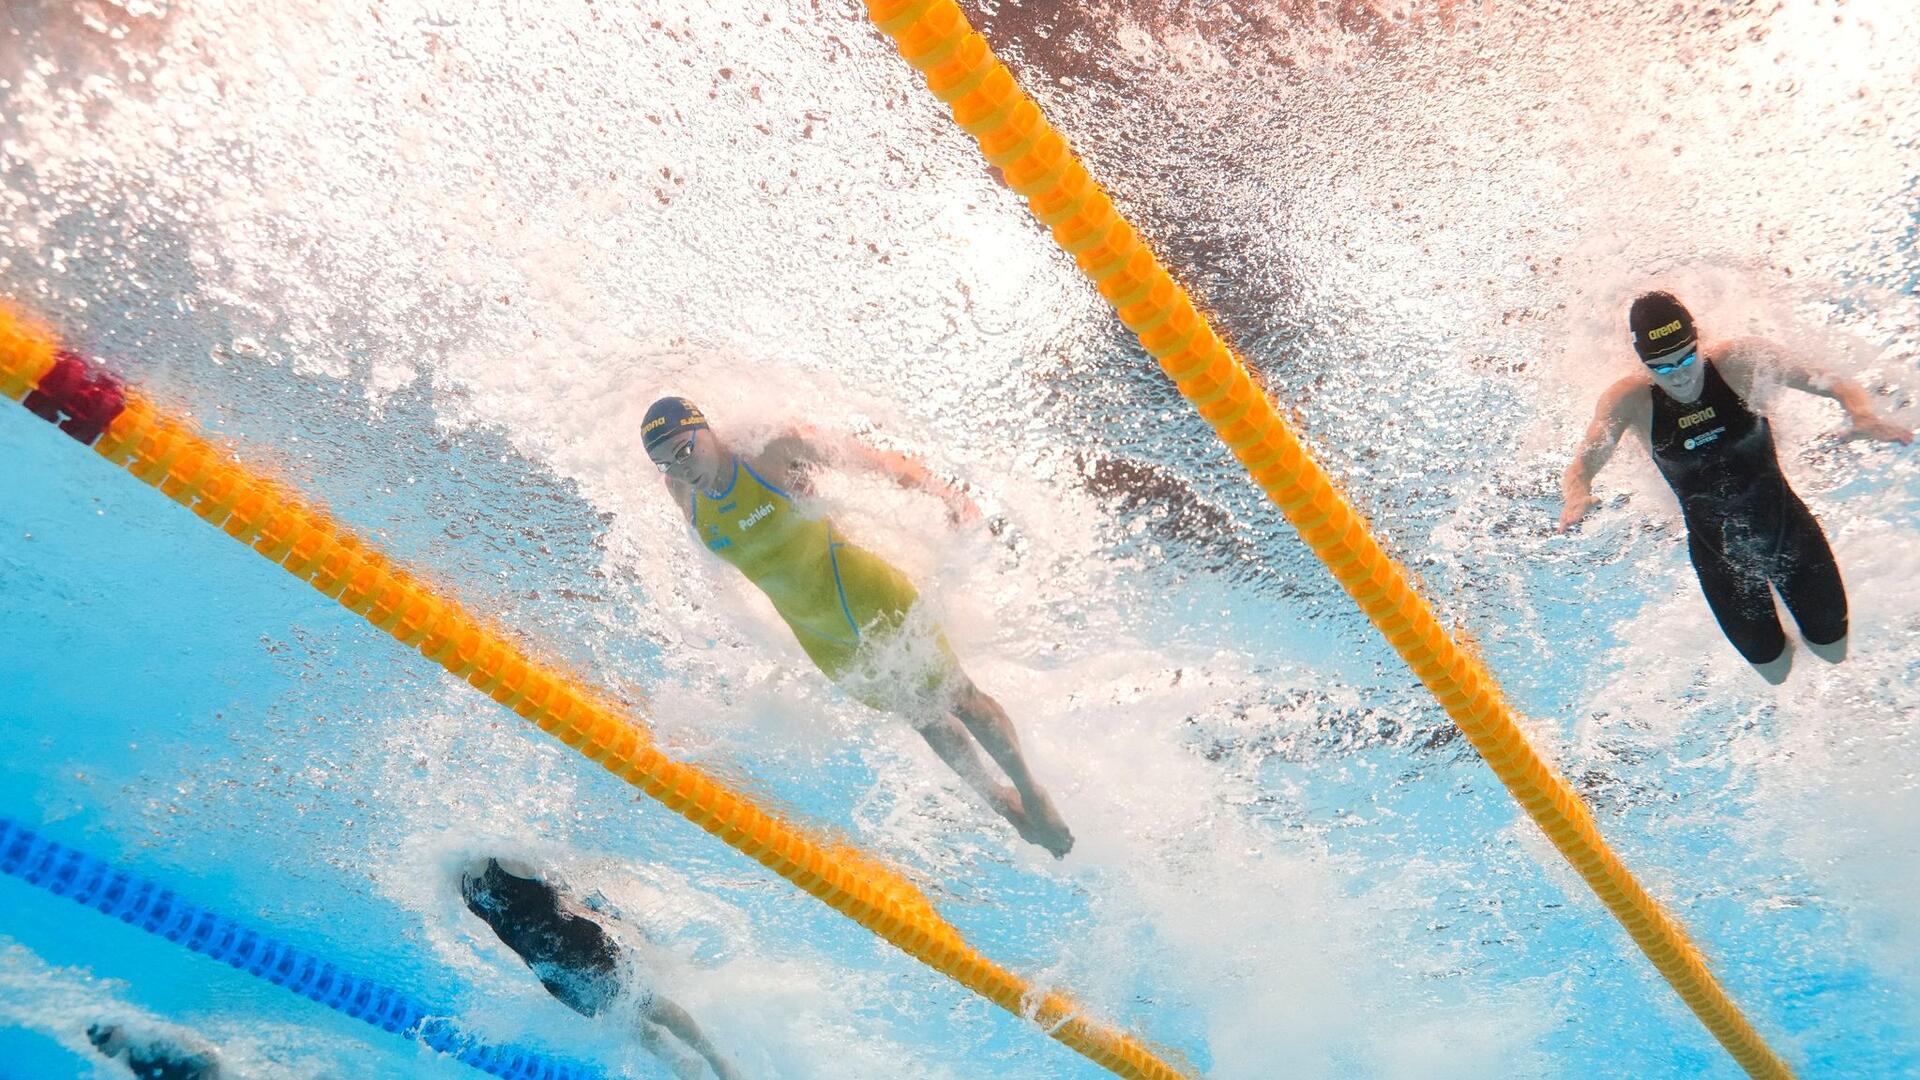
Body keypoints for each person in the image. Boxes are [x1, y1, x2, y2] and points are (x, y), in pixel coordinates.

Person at [641, 396, 1074, 857]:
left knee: (959, 698)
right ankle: (1001, 804)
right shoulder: (681, 490)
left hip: (868, 596)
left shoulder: (768, 455)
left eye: (686, 451)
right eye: (665, 462)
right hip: (822, 639)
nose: (681, 468)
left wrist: (944, 496)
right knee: (924, 718)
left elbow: (873, 463)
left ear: (707, 429)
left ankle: (1029, 790)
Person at [1559, 291, 1912, 682]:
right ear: (1644, 365)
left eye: (1686, 358)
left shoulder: (1740, 362)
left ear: (1699, 340)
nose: (1679, 375)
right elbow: (1583, 463)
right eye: (1661, 368)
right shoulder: (1631, 400)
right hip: (1719, 559)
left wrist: (1860, 414)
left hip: (1788, 533)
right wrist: (1577, 493)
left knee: (1833, 653)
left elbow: (1834, 383)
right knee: (1775, 672)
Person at [459, 857, 743, 1080]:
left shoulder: (508, 861)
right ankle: (678, 1062)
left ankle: (715, 1057)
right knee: (619, 1017)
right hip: (551, 974)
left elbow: (563, 887)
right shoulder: (462, 882)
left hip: (582, 948)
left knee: (646, 1004)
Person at [86, 1023, 220, 1080]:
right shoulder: (133, 1058)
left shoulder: (154, 1042)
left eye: (103, 1040)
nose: (100, 1050)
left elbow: (212, 1058)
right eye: (95, 1044)